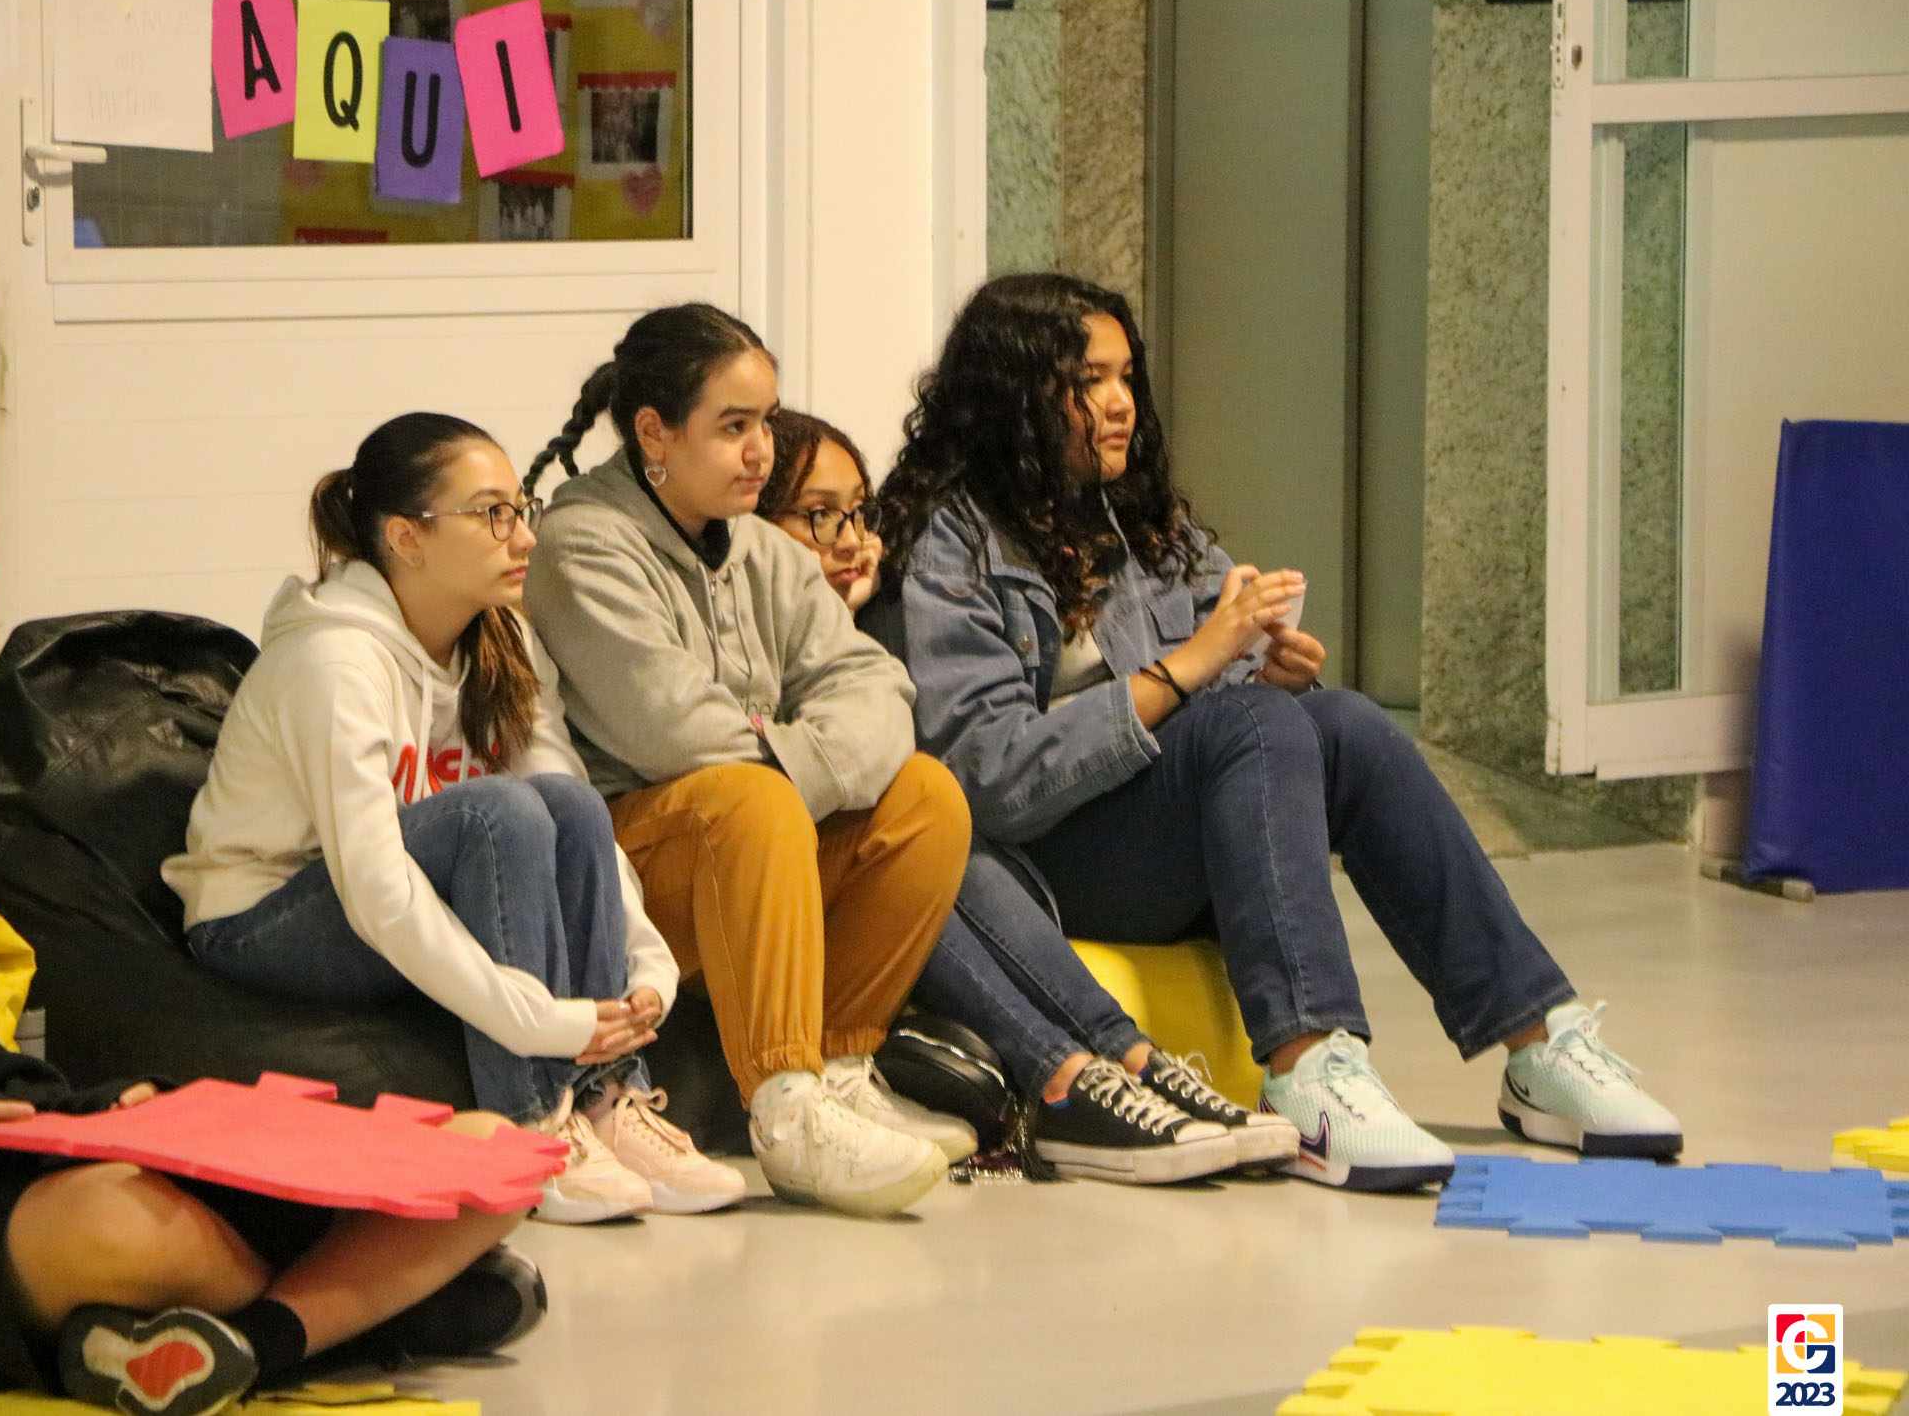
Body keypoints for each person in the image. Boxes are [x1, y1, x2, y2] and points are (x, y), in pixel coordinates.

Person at [865, 273, 1684, 1193]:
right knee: (1248, 720)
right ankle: (1308, 1066)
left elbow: (1226, 707)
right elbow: (988, 777)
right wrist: (1192, 669)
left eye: (1127, 375)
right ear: (1016, 394)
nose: (1121, 402)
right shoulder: (951, 544)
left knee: (1345, 723)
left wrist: (1266, 671)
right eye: (1089, 381)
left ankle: (1538, 1042)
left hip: (1163, 829)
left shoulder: (1138, 520)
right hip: (1048, 862)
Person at [165, 412, 743, 1222]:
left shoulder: (502, 642)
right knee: (495, 814)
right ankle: (531, 1123)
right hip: (261, 914)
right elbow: (377, 892)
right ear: (407, 537)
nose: (525, 537)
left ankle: (608, 1100)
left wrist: (643, 962)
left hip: (381, 887)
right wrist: (539, 1021)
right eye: (492, 514)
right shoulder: (334, 660)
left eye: (520, 509)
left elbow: (575, 814)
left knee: (565, 802)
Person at [760, 409, 1300, 1184]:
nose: (852, 540)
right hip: (780, 882)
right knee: (926, 824)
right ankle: (1072, 1077)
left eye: (859, 512)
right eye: (819, 516)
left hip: (912, 867)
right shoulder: (748, 625)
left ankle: (1128, 1063)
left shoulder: (869, 622)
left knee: (943, 828)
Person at [522, 304, 973, 1219]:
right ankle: (787, 1109)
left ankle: (840, 1071)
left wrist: (791, 757)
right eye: (734, 425)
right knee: (753, 801)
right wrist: (803, 758)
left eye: (765, 420)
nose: (762, 449)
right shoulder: (582, 543)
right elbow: (673, 730)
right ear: (655, 432)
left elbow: (879, 691)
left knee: (925, 796)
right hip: (627, 869)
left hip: (751, 837)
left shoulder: (765, 548)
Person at [0, 974, 538, 1415]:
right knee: (121, 1228)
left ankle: (251, 1343)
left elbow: (26, 1084)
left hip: (49, 1161)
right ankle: (369, 1305)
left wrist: (121, 1101)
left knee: (492, 1150)